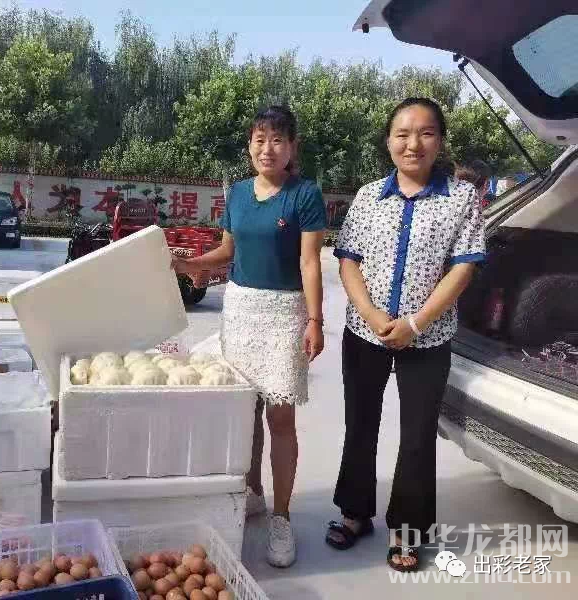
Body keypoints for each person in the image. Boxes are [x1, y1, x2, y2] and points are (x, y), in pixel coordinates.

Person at [324, 98, 486, 572]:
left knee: (417, 434)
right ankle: (355, 512)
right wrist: (372, 314)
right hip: (365, 331)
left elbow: (462, 269)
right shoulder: (369, 195)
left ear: (440, 140)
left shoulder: (461, 198)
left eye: (426, 133)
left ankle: (408, 530)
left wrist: (416, 323)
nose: (413, 144)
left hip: (428, 337)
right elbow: (348, 260)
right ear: (389, 141)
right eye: (402, 133)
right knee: (360, 423)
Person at [173, 105, 327, 568]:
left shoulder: (305, 194)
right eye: (260, 139)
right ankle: (253, 492)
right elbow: (227, 251)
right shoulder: (238, 193)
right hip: (240, 311)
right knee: (245, 411)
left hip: (284, 313)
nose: (268, 149)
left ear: (292, 147)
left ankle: (282, 516)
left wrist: (315, 320)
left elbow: (309, 263)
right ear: (250, 146)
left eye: (277, 140)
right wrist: (188, 264)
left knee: (280, 417)